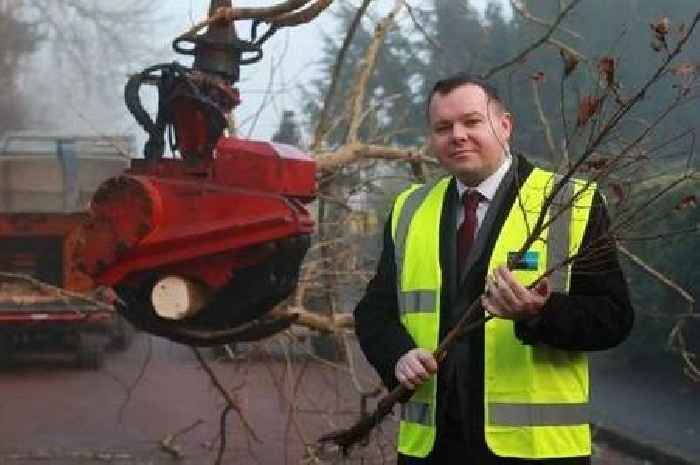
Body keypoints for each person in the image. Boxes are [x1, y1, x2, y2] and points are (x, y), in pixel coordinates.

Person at [353, 73, 634, 465]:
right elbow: (373, 312)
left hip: (537, 453)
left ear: (504, 126)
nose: (458, 135)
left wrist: (539, 314)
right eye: (443, 127)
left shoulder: (571, 202)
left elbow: (614, 318)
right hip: (431, 450)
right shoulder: (408, 210)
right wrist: (397, 356)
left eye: (472, 121)